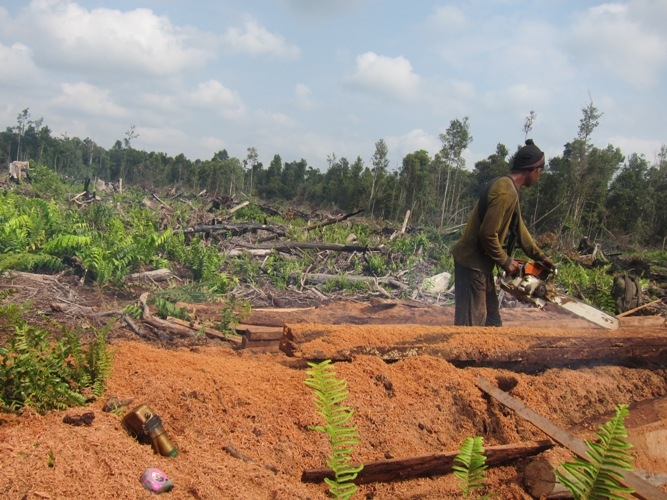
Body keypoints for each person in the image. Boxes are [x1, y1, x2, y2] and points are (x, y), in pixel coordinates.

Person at [451, 139, 555, 326]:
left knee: (492, 323)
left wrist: (541, 257)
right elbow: (487, 234)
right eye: (539, 172)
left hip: (481, 266)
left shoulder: (508, 189)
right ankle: (460, 356)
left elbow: (519, 230)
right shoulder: (505, 193)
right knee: (470, 329)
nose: (539, 176)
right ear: (532, 170)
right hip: (471, 264)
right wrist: (506, 261)